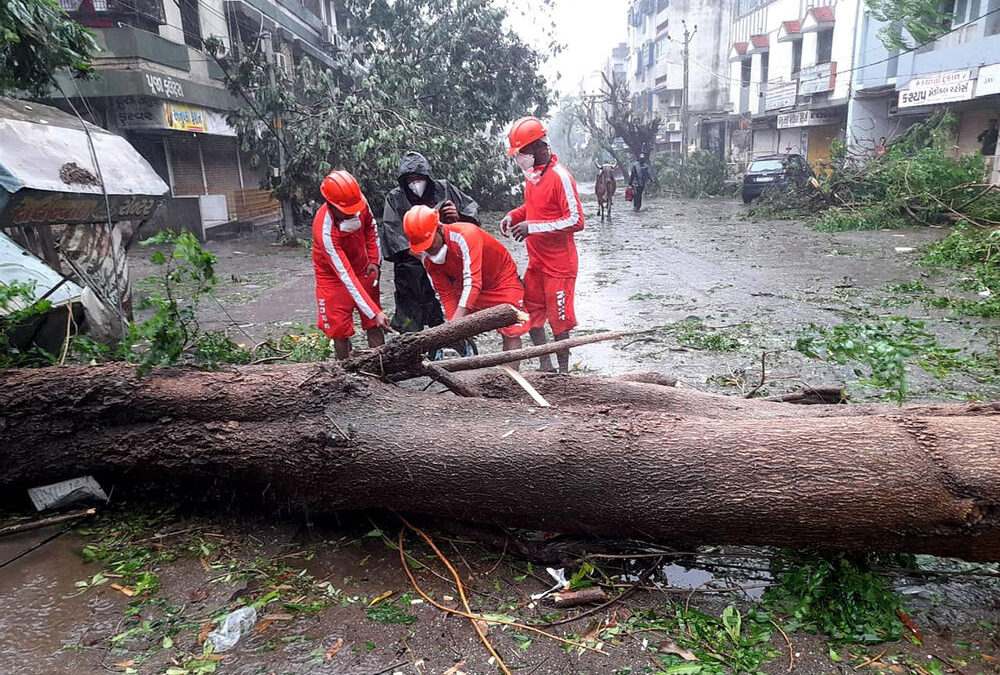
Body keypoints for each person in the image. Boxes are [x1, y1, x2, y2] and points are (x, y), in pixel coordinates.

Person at [499, 116, 585, 373]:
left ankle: (564, 372)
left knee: (560, 322)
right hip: (537, 262)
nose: (520, 158)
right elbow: (535, 208)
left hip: (560, 266)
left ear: (539, 147)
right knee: (531, 314)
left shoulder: (560, 177)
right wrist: (514, 216)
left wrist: (532, 227)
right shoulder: (532, 176)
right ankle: (545, 365)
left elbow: (576, 220)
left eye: (522, 151)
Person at [404, 205, 527, 354]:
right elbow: (445, 293)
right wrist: (453, 328)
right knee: (457, 321)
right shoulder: (426, 257)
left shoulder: (466, 235)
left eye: (430, 244)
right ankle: (466, 358)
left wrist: (454, 325)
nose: (429, 250)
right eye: (424, 247)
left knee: (511, 328)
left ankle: (511, 376)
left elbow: (473, 281)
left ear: (438, 228)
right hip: (464, 283)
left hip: (500, 280)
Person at [380, 151, 480, 335]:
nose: (416, 184)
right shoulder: (395, 198)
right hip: (412, 263)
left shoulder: (444, 189)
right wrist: (421, 254)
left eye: (419, 178)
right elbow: (392, 233)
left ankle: (454, 338)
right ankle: (410, 342)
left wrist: (458, 216)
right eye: (411, 180)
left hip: (446, 256)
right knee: (409, 312)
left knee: (450, 303)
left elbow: (470, 216)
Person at [312, 169, 392, 360]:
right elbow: (345, 275)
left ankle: (380, 369)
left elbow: (371, 229)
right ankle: (346, 372)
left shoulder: (360, 203)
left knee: (374, 324)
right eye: (346, 212)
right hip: (332, 277)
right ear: (331, 204)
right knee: (339, 328)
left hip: (362, 267)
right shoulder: (324, 229)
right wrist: (375, 312)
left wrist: (374, 260)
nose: (353, 213)